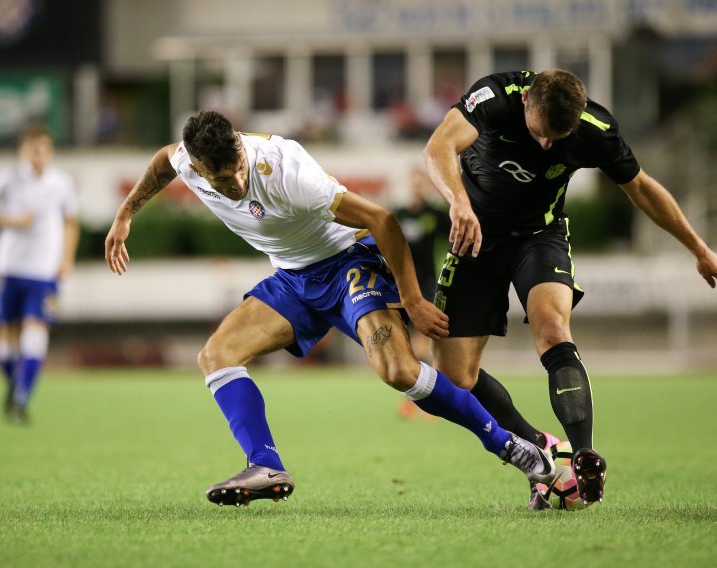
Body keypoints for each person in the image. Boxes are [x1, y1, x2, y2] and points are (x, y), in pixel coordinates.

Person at [105, 110, 556, 507]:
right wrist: (126, 214)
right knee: (216, 357)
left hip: (347, 266)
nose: (237, 185)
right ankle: (265, 465)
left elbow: (382, 220)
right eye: (223, 182)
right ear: (200, 169)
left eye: (238, 170)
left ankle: (510, 446)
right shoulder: (188, 160)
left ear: (241, 148)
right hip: (293, 279)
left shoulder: (286, 172)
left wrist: (414, 299)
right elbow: (163, 161)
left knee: (398, 371)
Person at [422, 69, 717, 508]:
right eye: (540, 134)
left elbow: (642, 189)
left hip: (540, 238)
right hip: (475, 236)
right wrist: (459, 203)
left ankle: (583, 454)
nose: (546, 146)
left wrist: (699, 248)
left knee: (553, 329)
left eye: (557, 138)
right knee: (455, 377)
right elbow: (438, 147)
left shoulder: (593, 129)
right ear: (526, 104)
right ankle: (542, 447)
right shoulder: (495, 97)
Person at [0, 124, 79, 424]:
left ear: (50, 151)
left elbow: (71, 221)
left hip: (44, 271)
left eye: (44, 149)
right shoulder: (7, 179)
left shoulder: (61, 183)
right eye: (34, 149)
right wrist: (12, 220)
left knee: (36, 332)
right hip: (8, 268)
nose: (39, 155)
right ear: (24, 150)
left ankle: (22, 397)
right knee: (6, 338)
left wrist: (66, 258)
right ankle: (12, 383)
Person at [394, 167, 449, 419]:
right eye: (413, 182)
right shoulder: (399, 215)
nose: (417, 187)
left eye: (421, 183)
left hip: (427, 284)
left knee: (422, 342)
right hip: (400, 286)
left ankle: (429, 400)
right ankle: (419, 399)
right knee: (405, 345)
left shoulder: (436, 215)